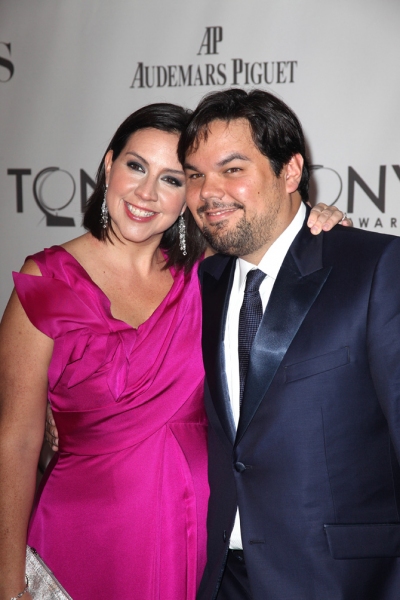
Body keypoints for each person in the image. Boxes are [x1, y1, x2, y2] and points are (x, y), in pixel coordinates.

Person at [0, 101, 345, 600]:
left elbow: (285, 248)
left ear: (191, 194)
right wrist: (9, 582)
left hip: (198, 529)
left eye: (172, 179)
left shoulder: (212, 274)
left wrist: (323, 220)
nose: (146, 193)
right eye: (135, 166)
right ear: (108, 164)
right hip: (85, 532)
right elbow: (15, 441)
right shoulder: (45, 279)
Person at [177, 88, 400, 600]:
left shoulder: (373, 268)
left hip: (342, 581)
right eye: (194, 174)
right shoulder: (198, 287)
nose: (208, 192)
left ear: (291, 171)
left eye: (232, 169)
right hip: (221, 579)